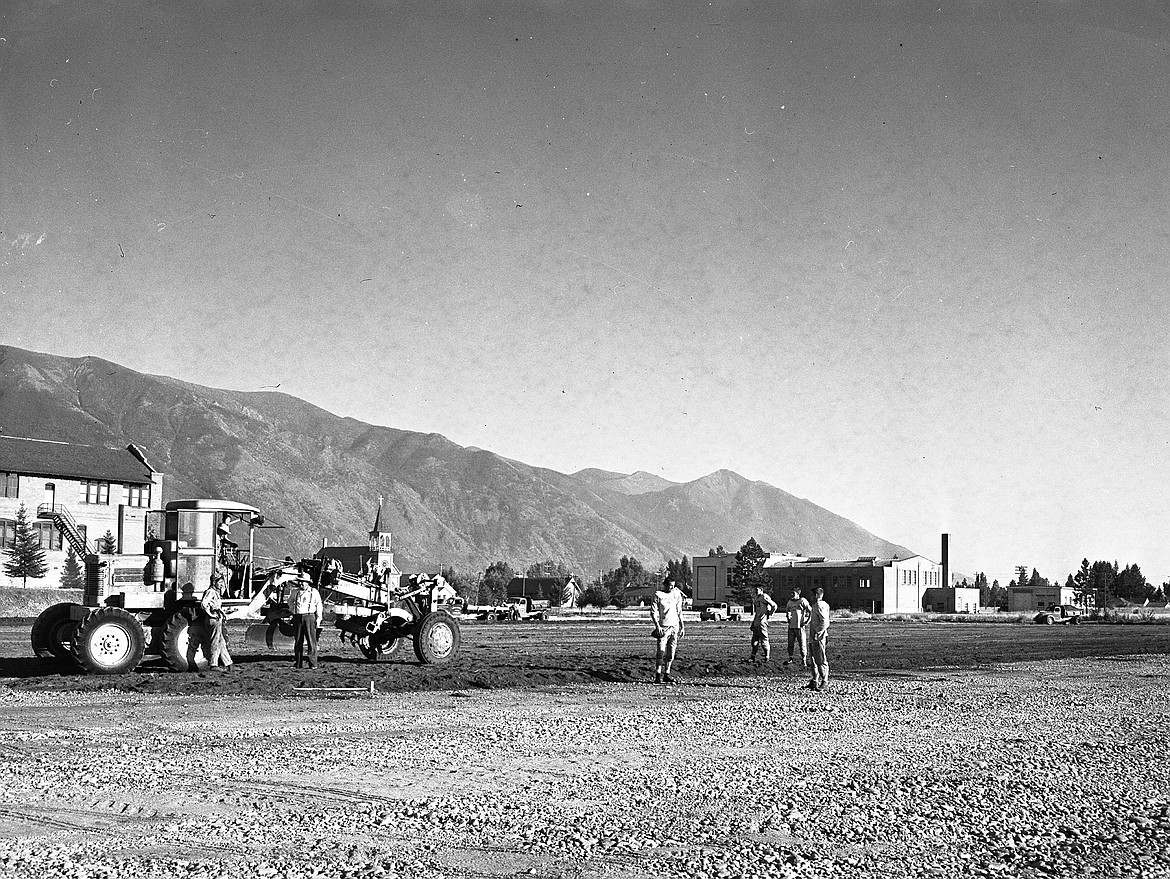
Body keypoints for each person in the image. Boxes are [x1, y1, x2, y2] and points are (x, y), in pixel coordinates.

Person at [650, 575, 686, 684]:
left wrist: (682, 626)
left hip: (674, 626)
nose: (672, 588)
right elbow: (653, 612)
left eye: (673, 586)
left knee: (671, 653)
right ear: (665, 585)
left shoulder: (676, 594)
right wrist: (657, 626)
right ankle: (658, 675)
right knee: (660, 652)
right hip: (664, 627)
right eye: (670, 585)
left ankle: (667, 673)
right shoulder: (658, 595)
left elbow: (679, 611)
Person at [287, 570, 324, 669]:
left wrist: (318, 619)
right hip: (297, 618)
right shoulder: (295, 592)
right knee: (298, 641)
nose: (301, 583)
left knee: (311, 641)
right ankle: (298, 663)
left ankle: (313, 664)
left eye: (303, 582)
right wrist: (293, 610)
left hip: (309, 617)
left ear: (307, 582)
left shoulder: (314, 592)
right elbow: (290, 602)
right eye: (300, 581)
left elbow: (319, 605)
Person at [200, 575, 233, 672]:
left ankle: (229, 664)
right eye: (219, 582)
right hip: (214, 620)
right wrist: (212, 613)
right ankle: (213, 664)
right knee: (215, 641)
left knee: (221, 642)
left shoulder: (215, 592)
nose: (221, 585)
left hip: (217, 619)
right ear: (214, 582)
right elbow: (204, 604)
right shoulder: (210, 591)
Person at [807, 587, 831, 691]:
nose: (810, 597)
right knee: (813, 659)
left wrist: (819, 632)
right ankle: (815, 680)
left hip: (819, 637)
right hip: (813, 636)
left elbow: (825, 621)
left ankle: (824, 681)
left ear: (816, 595)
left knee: (820, 659)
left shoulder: (820, 605)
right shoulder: (815, 606)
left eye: (812, 595)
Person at [783, 587, 812, 669]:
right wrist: (788, 618)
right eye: (791, 593)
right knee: (790, 644)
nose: (792, 595)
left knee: (802, 644)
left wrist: (807, 621)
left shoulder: (802, 601)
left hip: (800, 627)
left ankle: (804, 660)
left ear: (798, 594)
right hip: (791, 627)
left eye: (794, 593)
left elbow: (811, 611)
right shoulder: (790, 602)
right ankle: (790, 658)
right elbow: (787, 612)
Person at [749, 584, 779, 662]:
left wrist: (769, 613)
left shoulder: (764, 596)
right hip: (756, 622)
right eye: (755, 590)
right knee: (754, 641)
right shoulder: (757, 598)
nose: (755, 591)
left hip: (762, 622)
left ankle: (767, 657)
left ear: (761, 590)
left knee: (764, 640)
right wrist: (753, 622)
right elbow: (757, 612)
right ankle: (752, 657)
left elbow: (774, 606)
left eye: (757, 590)